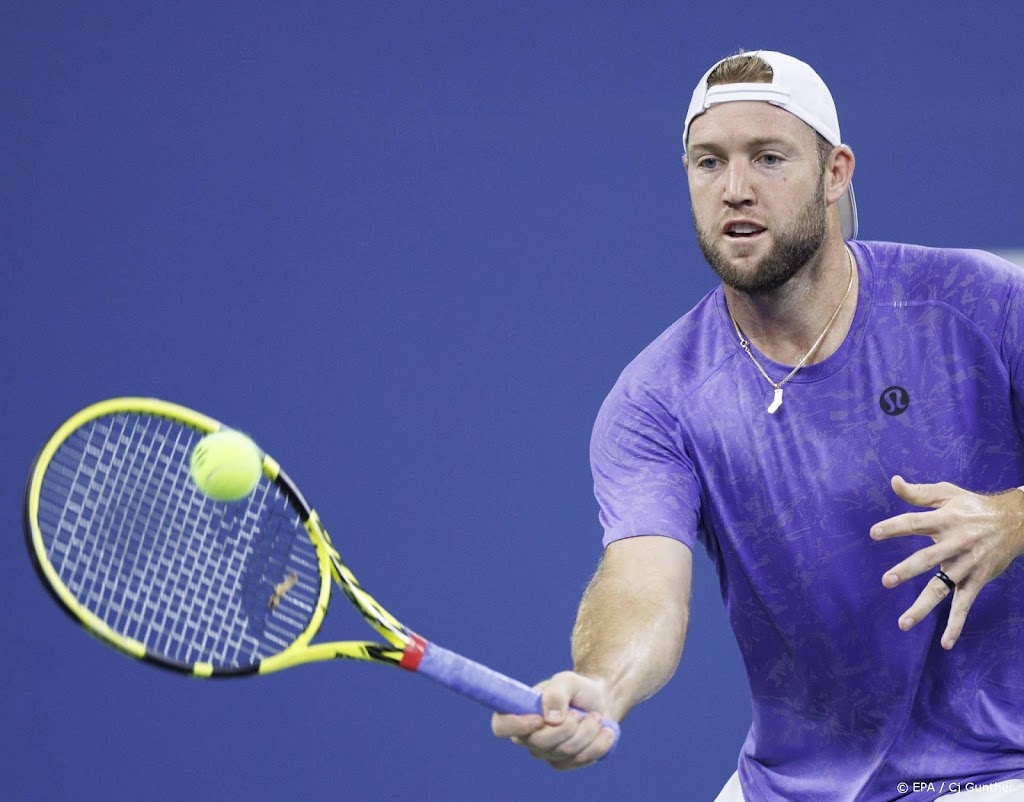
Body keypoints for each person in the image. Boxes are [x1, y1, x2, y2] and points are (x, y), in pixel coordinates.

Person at [491, 50, 1024, 801]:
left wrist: (1012, 517)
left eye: (768, 157)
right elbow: (645, 584)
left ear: (836, 173)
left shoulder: (981, 303)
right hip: (793, 786)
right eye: (708, 163)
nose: (735, 189)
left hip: (1001, 770)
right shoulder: (658, 399)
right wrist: (602, 686)